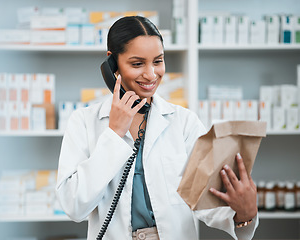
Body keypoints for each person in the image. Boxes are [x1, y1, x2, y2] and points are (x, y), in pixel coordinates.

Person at [56, 16, 258, 240]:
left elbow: (210, 202)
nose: (151, 74)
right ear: (112, 64)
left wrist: (244, 212)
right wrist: (114, 134)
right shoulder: (84, 121)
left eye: (158, 61)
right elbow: (74, 206)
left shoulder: (183, 122)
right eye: (137, 63)